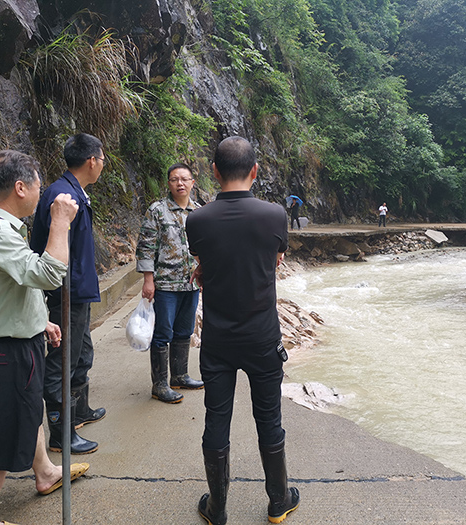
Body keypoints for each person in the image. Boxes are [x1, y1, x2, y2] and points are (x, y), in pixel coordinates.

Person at [0, 150, 89, 525]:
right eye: (37, 185)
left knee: (27, 414)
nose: (40, 192)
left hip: (15, 342)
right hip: (3, 353)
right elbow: (47, 274)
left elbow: (14, 285)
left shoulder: (0, 229)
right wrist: (60, 224)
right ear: (19, 187)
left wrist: (39, 321)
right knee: (0, 438)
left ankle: (45, 472)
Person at [186, 136, 300, 525]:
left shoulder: (196, 219)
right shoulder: (274, 216)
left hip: (218, 340)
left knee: (216, 420)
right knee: (269, 419)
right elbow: (275, 260)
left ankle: (217, 508)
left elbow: (207, 264)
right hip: (262, 338)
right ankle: (278, 501)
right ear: (254, 171)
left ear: (214, 173)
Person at [31, 133, 106, 455]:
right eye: (102, 160)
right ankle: (61, 433)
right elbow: (48, 250)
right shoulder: (63, 197)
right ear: (91, 161)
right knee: (62, 361)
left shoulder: (75, 193)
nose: (102, 165)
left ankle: (80, 412)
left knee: (81, 354)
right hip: (67, 293)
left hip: (78, 290)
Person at [135, 163, 203, 404]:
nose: (180, 183)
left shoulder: (199, 212)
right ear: (169, 183)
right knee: (163, 333)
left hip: (191, 283)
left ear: (193, 183)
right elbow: (145, 247)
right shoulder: (157, 210)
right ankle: (160, 385)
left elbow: (205, 246)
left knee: (184, 331)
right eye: (175, 179)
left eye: (185, 179)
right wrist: (148, 280)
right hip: (165, 284)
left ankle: (180, 375)